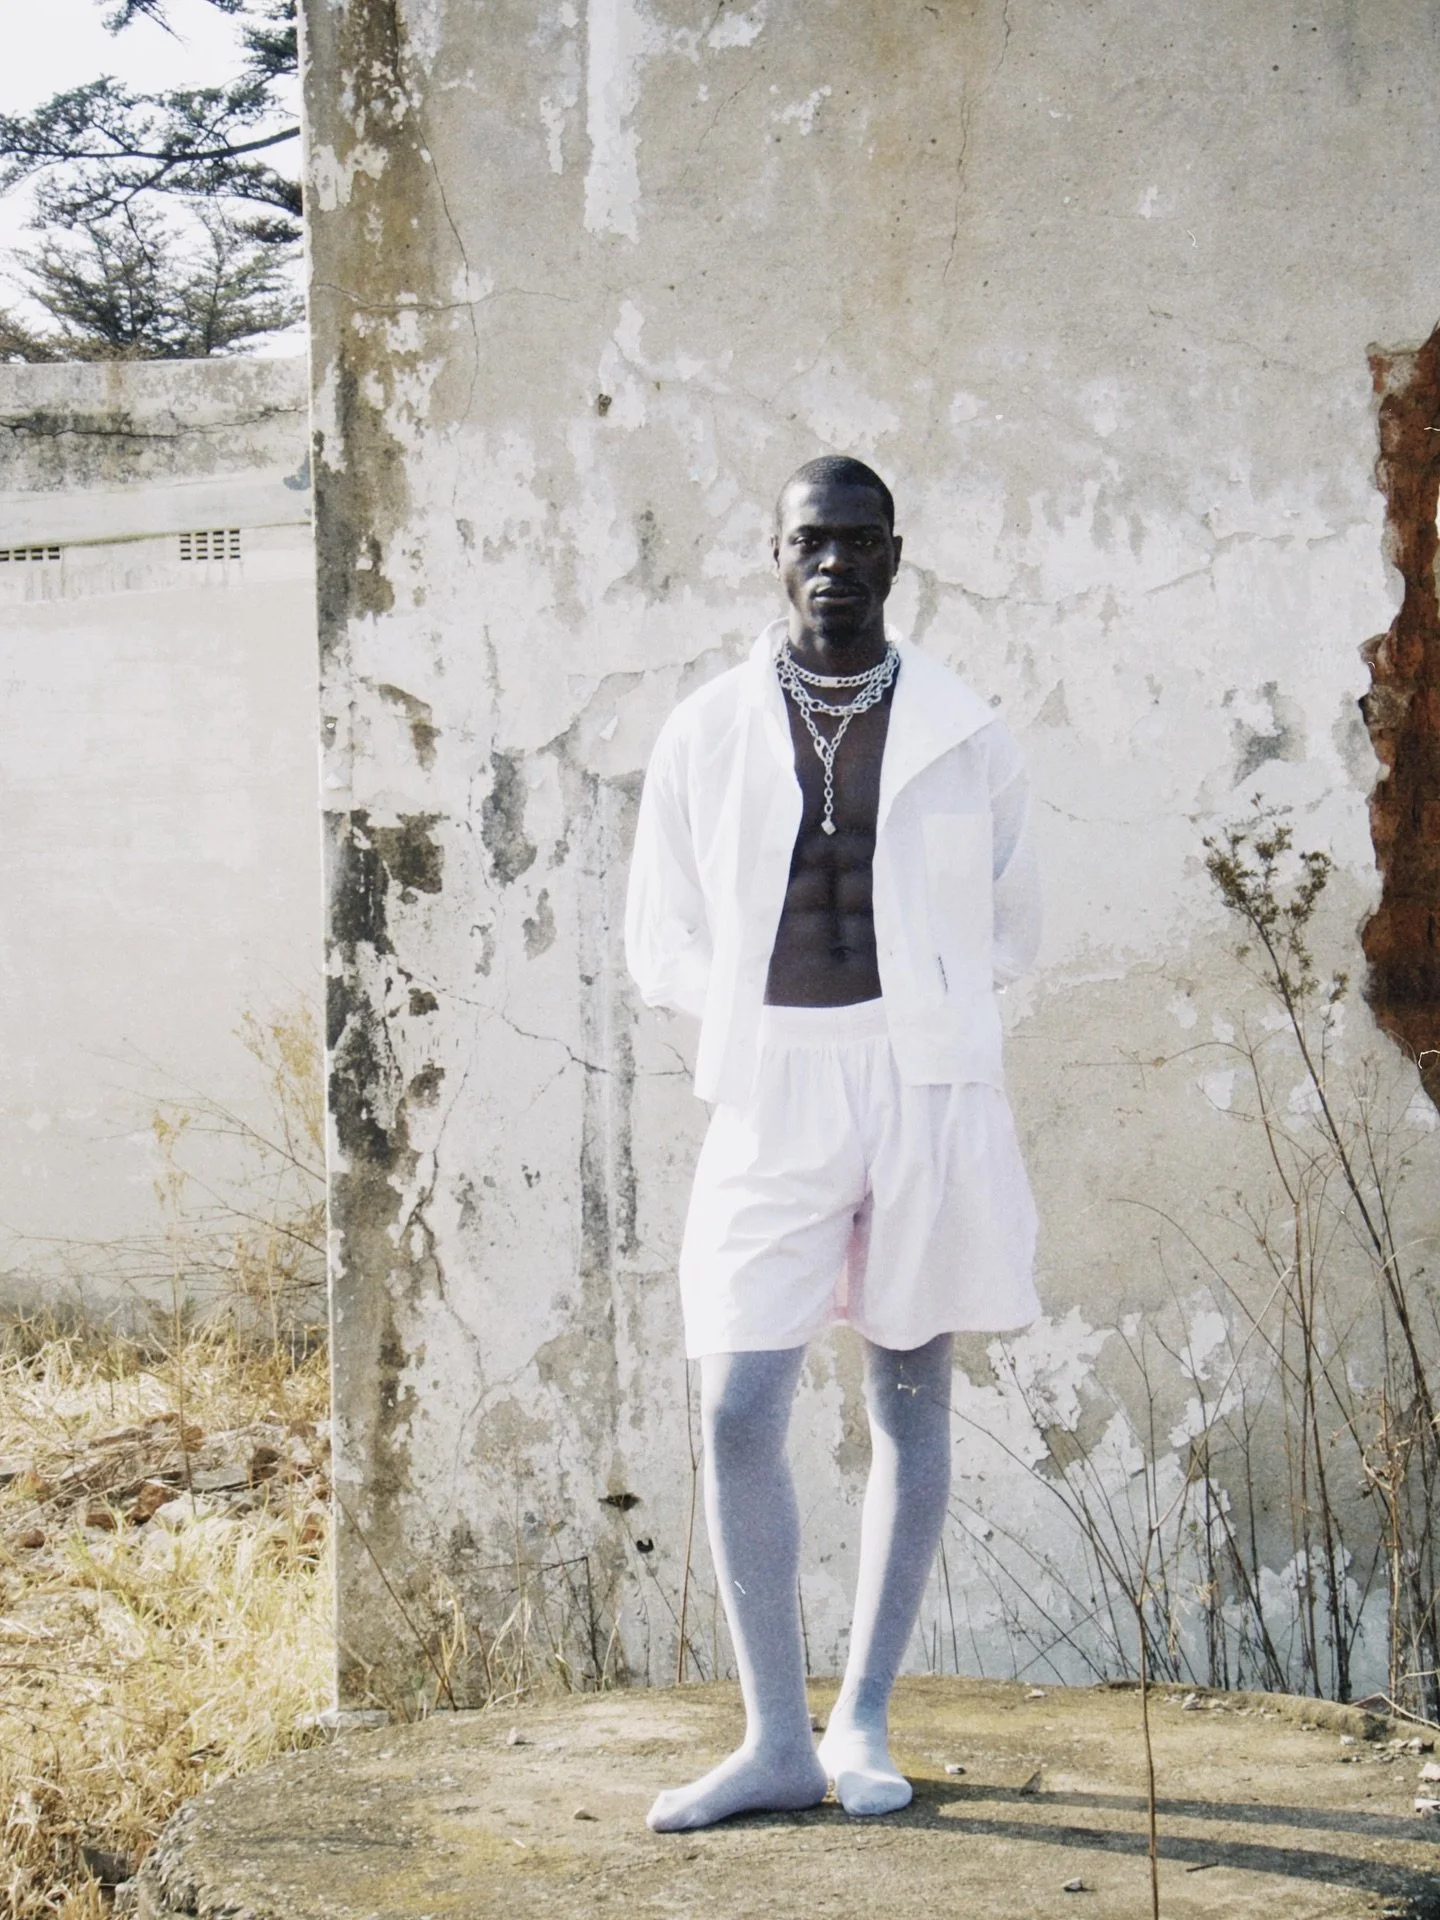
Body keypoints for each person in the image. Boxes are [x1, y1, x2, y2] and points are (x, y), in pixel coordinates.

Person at [624, 455, 1041, 1831]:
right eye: (812, 540)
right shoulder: (706, 730)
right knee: (740, 1398)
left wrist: (934, 1026)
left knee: (908, 1395)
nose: (835, 564)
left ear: (897, 554)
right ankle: (771, 1739)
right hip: (772, 1084)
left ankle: (859, 1718)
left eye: (859, 541)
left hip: (920, 1083)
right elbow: (661, 933)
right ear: (774, 551)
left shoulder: (968, 730)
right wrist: (750, 1012)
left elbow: (1017, 925)